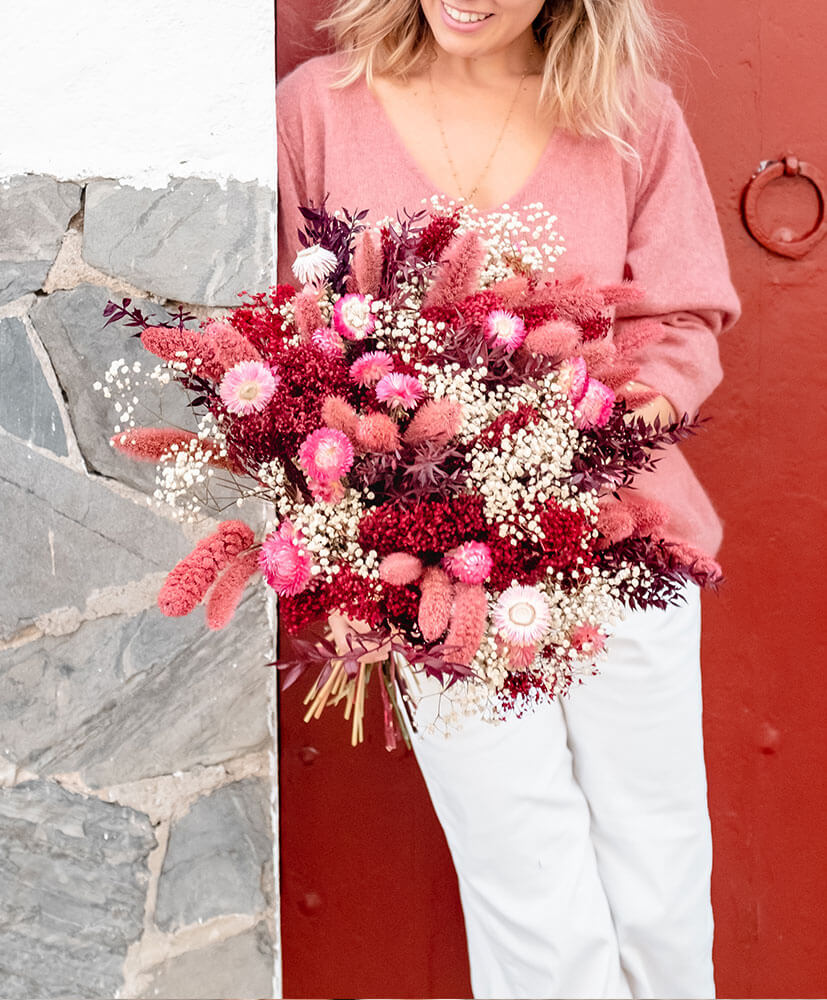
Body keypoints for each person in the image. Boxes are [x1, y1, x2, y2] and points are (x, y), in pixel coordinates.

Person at [276, 2, 741, 997]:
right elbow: (291, 337)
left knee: (657, 878)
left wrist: (567, 446)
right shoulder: (318, 110)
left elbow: (681, 320)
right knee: (531, 896)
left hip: (620, 543)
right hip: (431, 567)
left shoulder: (630, 116)